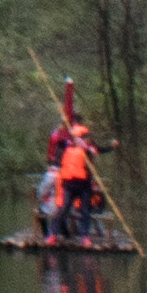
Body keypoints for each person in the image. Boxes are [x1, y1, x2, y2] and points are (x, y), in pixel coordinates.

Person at [34, 85, 106, 247]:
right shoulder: (65, 144)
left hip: (84, 184)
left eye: (87, 137)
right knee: (64, 208)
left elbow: (96, 150)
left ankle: (85, 236)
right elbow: (66, 120)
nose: (87, 139)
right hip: (70, 184)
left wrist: (104, 148)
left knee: (85, 211)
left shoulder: (88, 149)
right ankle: (52, 235)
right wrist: (69, 88)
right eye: (84, 137)